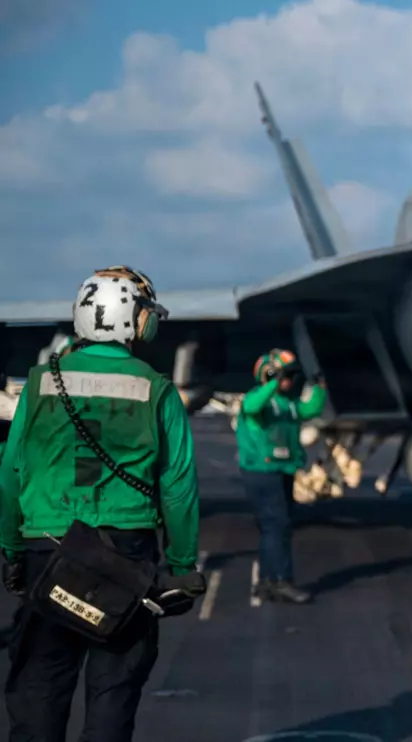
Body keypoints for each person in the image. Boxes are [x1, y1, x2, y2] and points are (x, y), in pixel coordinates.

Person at [0, 265, 202, 742]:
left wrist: (11, 552)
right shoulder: (156, 389)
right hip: (123, 558)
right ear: (133, 318)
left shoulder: (41, 383)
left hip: (47, 553)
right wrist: (182, 566)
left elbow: (10, 474)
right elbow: (178, 486)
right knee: (113, 694)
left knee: (38, 693)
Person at [235, 349, 326, 604]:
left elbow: (308, 410)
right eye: (287, 375)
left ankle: (267, 580)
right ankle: (281, 580)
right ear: (270, 375)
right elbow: (251, 406)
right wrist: (273, 383)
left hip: (282, 470)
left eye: (292, 375)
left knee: (272, 528)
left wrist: (319, 387)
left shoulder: (286, 404)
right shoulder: (259, 398)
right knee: (278, 525)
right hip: (262, 473)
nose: (290, 380)